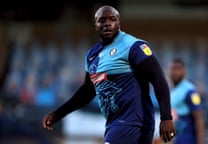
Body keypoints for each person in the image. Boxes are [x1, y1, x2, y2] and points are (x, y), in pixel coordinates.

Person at [42, 5, 175, 144]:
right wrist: (57, 114)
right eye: (102, 20)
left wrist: (166, 117)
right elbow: (87, 91)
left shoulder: (133, 46)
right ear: (96, 25)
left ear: (119, 22)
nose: (107, 24)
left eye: (112, 19)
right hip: (114, 123)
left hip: (133, 122)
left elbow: (158, 78)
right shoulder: (92, 55)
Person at [169, 59, 204, 144]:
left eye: (178, 69)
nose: (175, 72)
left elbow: (198, 117)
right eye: (173, 69)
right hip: (176, 139)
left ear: (184, 71)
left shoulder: (190, 90)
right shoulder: (173, 91)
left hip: (187, 139)